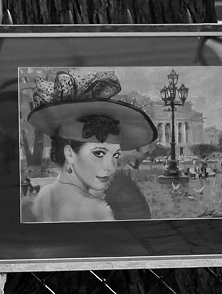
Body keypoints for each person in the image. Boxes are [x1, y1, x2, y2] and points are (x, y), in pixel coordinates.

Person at [26, 70, 156, 223]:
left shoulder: (44, 194)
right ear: (69, 153)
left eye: (115, 155)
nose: (111, 167)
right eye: (99, 154)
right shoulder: (101, 210)